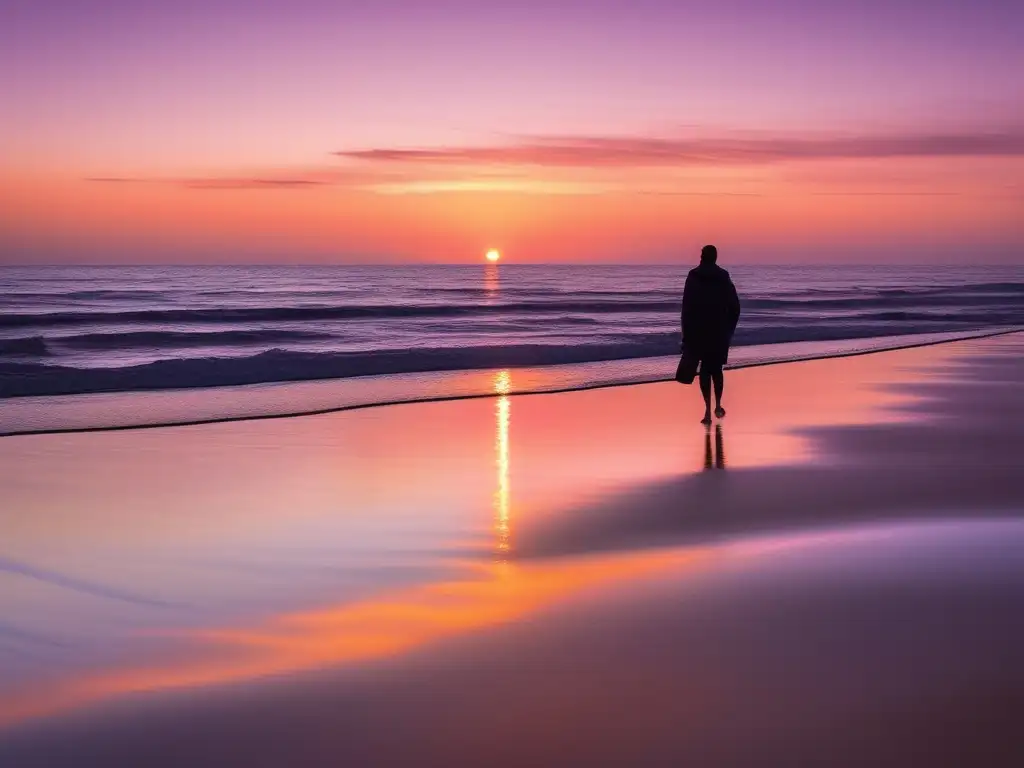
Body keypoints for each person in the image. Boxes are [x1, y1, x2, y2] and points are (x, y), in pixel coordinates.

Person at [681, 244, 741, 425]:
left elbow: (686, 308)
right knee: (716, 370)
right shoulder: (723, 276)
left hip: (699, 331)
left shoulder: (694, 276)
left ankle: (707, 408)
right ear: (715, 257)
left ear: (703, 256)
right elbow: (735, 306)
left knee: (705, 371)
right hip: (719, 331)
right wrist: (729, 328)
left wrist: (686, 335)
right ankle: (718, 404)